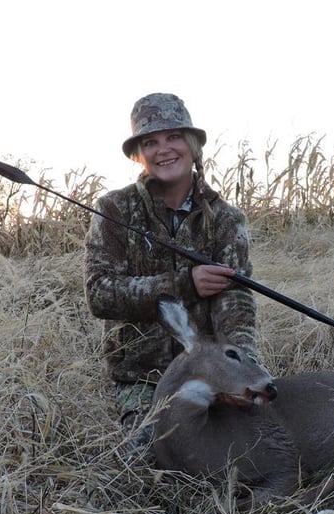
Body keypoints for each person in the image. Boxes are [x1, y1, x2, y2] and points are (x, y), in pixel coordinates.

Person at [84, 92, 258, 444]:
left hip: (212, 374)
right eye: (150, 142)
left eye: (173, 137)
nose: (163, 149)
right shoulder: (114, 209)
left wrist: (243, 371)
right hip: (143, 377)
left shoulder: (226, 219)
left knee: (247, 444)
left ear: (192, 145)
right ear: (139, 154)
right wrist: (184, 283)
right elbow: (99, 293)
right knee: (153, 450)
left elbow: (237, 303)